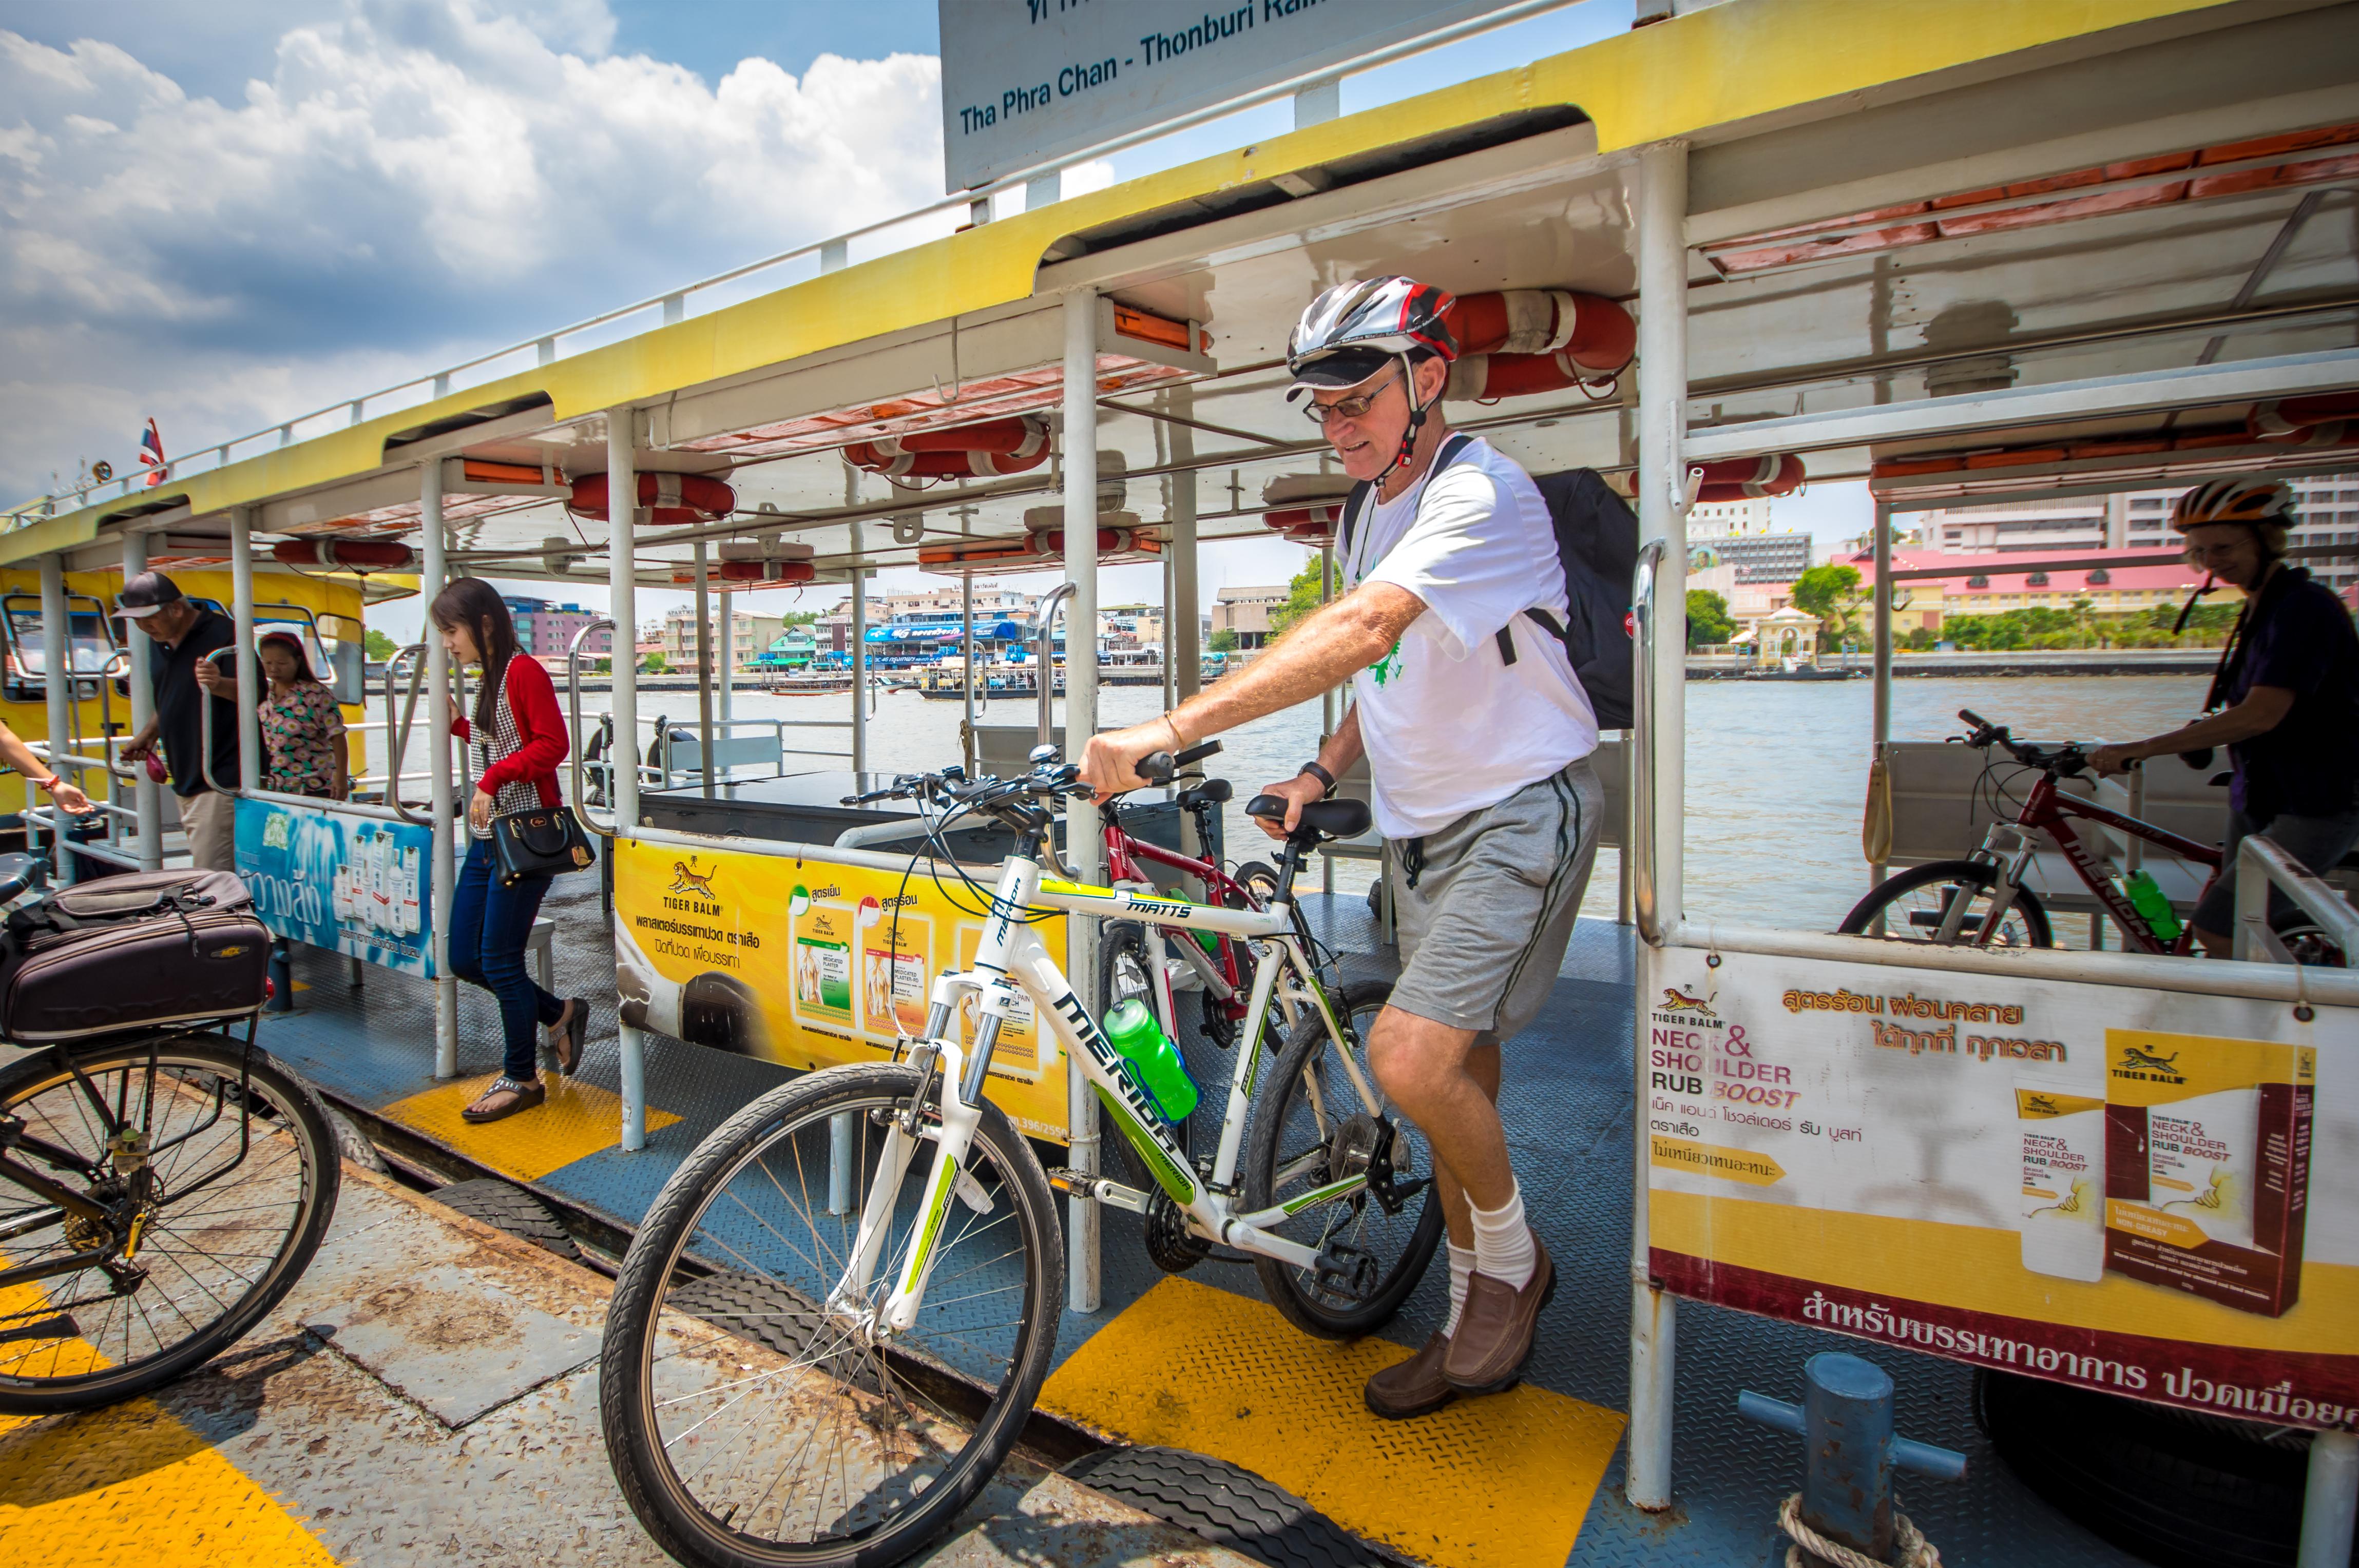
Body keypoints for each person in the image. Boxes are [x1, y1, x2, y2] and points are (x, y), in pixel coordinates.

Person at [1081, 276, 1603, 1418]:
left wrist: (1167, 728)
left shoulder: (1483, 495)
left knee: (1411, 1066)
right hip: (1419, 828)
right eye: (1317, 410)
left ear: (1427, 379)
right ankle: (1473, 1308)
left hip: (1519, 808)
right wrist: (1320, 771)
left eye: (1356, 400)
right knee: (1455, 1074)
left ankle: (1515, 1272)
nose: (1337, 428)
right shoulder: (1368, 509)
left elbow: (1363, 627)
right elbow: (1390, 669)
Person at [2092, 475, 2359, 953]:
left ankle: (2279, 1023)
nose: (2212, 563)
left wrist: (2143, 749)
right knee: (2236, 922)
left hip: (2315, 801)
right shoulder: (2262, 608)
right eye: (2199, 552)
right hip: (2260, 792)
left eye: (2223, 547)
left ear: (2267, 539)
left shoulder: (2303, 609)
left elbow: (2261, 714)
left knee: (2220, 927)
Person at [431, 578, 589, 1125]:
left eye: (451, 631)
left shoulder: (522, 671)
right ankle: (559, 1013)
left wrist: (492, 778)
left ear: (485, 624)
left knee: (498, 959)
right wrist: (458, 723)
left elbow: (552, 744)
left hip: (520, 837)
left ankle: (521, 1076)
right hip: (487, 838)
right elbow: (501, 741)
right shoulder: (491, 678)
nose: (449, 643)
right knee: (463, 958)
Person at [116, 571, 242, 870]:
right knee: (208, 872)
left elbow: (259, 694)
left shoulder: (225, 634)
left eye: (150, 617)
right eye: (136, 620)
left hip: (220, 780)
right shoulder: (158, 641)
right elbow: (174, 696)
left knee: (214, 879)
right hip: (185, 778)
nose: (144, 626)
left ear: (176, 608)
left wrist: (219, 684)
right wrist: (149, 734)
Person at [256, 631, 348, 800]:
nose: (274, 669)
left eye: (282, 663)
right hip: (275, 788)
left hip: (314, 787)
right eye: (268, 663)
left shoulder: (316, 694)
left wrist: (341, 779)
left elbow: (338, 736)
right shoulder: (264, 695)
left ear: (298, 661)